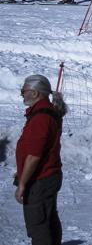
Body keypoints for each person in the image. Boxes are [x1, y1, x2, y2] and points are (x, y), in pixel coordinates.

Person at [15, 74, 67, 245]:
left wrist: (22, 184)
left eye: (24, 91)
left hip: (40, 180)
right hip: (48, 176)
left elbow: (34, 156)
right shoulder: (44, 113)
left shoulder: (41, 118)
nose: (22, 94)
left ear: (35, 93)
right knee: (48, 219)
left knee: (38, 226)